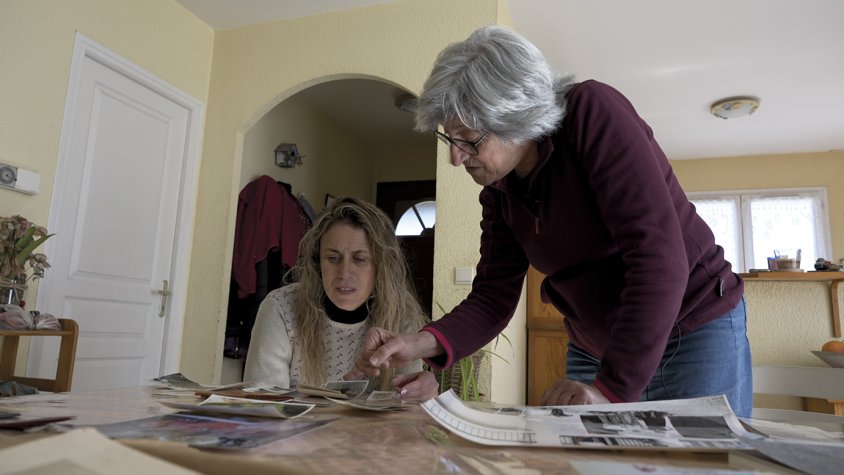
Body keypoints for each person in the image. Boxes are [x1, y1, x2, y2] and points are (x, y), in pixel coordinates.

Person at [346, 26, 752, 416]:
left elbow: (658, 258)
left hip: (695, 324)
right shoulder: (499, 191)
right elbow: (492, 298)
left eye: (470, 140)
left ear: (516, 117)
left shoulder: (593, 112)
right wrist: (419, 343)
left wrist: (610, 390)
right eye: (449, 139)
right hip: (595, 343)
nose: (455, 158)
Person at [244, 196, 438, 399]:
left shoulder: (401, 310)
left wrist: (419, 392)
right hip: (296, 431)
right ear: (318, 263)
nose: (344, 274)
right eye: (333, 258)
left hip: (374, 432)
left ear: (381, 266)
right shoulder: (280, 308)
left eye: (360, 259)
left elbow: (403, 405)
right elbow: (263, 402)